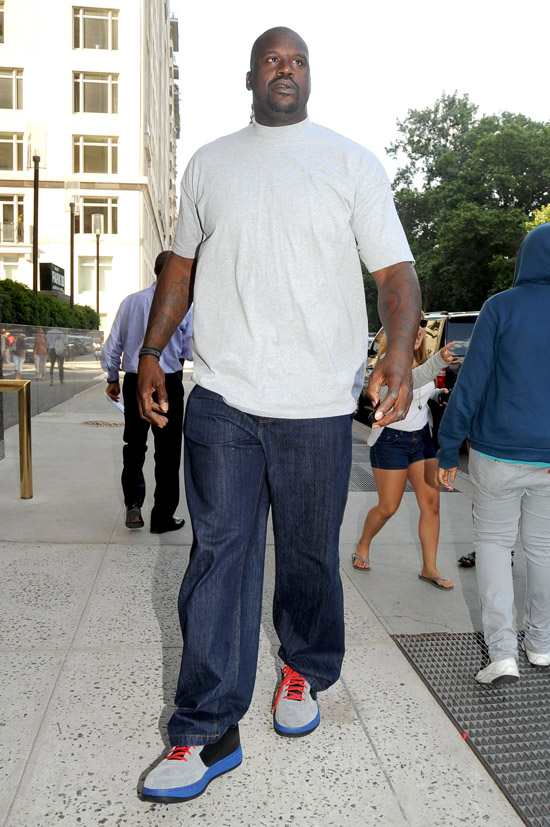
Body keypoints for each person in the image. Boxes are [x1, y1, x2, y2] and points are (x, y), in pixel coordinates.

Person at [137, 26, 421, 803]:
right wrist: (153, 350)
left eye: (296, 60)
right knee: (219, 553)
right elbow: (181, 269)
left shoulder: (351, 162)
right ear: (252, 76)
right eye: (272, 59)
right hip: (225, 394)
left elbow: (395, 269)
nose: (284, 69)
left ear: (310, 76)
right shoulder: (209, 164)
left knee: (305, 554)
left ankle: (303, 668)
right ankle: (204, 728)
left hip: (318, 402)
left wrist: (396, 350)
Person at [437, 223, 550, 685]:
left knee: (494, 548)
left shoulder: (500, 307)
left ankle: (502, 653)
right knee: (543, 551)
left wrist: (447, 448)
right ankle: (541, 644)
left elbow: (471, 384)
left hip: (497, 455)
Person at [353, 318, 458, 589]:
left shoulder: (423, 360)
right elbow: (407, 383)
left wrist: (438, 391)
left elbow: (421, 391)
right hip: (391, 442)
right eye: (412, 326)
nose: (419, 332)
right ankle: (363, 544)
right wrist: (438, 363)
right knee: (388, 506)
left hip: (421, 440)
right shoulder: (389, 361)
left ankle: (429, 568)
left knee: (432, 505)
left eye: (422, 328)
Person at [102, 251, 193, 533]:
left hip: (135, 382)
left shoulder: (131, 302)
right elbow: (190, 349)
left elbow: (112, 345)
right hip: (167, 384)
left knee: (134, 445)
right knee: (167, 453)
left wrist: (112, 378)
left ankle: (133, 505)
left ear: (155, 271)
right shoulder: (184, 308)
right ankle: (162, 517)